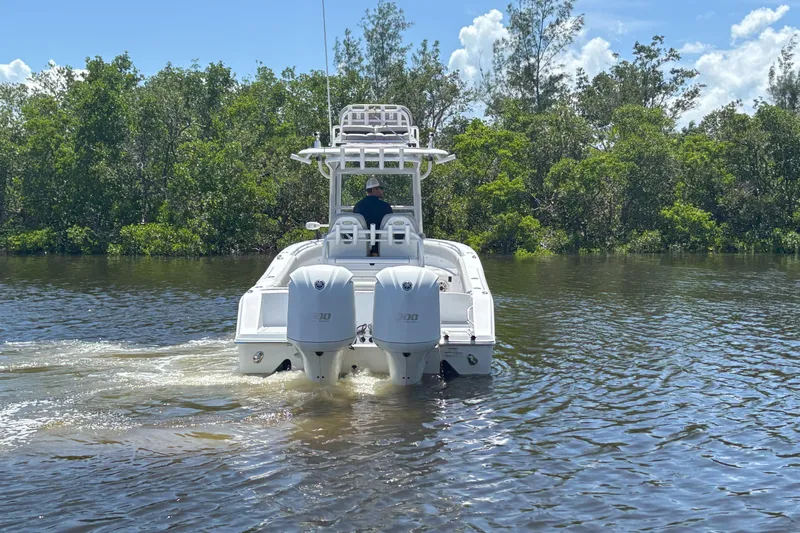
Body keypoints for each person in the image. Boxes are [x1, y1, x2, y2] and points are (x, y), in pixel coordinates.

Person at [353, 177, 393, 256]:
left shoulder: (357, 206)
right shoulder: (386, 207)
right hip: (383, 246)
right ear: (374, 189)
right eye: (381, 188)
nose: (383, 191)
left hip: (361, 246)